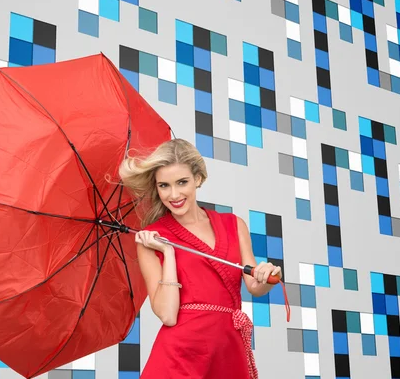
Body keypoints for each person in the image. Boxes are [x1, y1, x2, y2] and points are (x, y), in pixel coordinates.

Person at [118, 138, 284, 379]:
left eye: (182, 182)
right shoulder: (151, 239)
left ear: (197, 179)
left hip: (228, 349)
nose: (173, 194)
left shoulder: (234, 225)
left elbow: (253, 287)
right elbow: (167, 314)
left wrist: (268, 276)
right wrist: (168, 252)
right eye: (164, 185)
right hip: (181, 354)